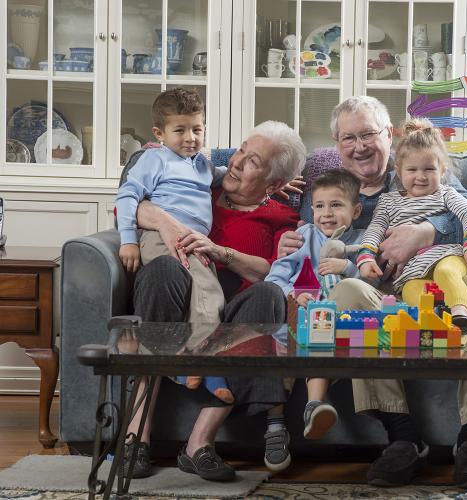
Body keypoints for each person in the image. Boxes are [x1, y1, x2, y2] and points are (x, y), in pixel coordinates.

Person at [277, 96, 467, 490]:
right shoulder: (331, 189)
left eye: (369, 134)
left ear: (390, 135)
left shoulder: (418, 166)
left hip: (443, 282)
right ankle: (403, 437)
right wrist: (291, 245)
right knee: (348, 293)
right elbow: (312, 243)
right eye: (348, 138)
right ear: (337, 144)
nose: (360, 146)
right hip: (380, 291)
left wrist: (427, 231)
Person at [122, 120, 307, 481]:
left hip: (231, 323)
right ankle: (136, 434)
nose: (237, 162)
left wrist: (220, 251)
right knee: (162, 270)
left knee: (269, 295)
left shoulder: (282, 216)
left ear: (273, 184)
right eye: (241, 150)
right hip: (177, 300)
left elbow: (273, 271)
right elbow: (132, 205)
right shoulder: (197, 182)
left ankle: (199, 444)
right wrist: (164, 222)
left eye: (253, 161)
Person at [115, 88, 232, 404]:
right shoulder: (154, 158)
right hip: (160, 239)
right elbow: (127, 196)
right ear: (159, 133)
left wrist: (271, 174)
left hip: (196, 244)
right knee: (203, 294)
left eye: (197, 129)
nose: (190, 138)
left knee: (209, 296)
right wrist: (128, 241)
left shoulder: (203, 165)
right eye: (179, 130)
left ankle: (201, 363)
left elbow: (235, 173)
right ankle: (193, 365)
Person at [265, 169, 364, 440]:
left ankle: (313, 406)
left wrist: (349, 268)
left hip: (335, 328)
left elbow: (373, 284)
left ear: (355, 210)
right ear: (311, 210)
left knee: (322, 342)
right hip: (299, 322)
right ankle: (275, 428)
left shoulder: (363, 242)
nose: (327, 213)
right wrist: (294, 294)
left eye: (336, 205)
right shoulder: (304, 237)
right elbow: (274, 278)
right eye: (319, 206)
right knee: (279, 359)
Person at [357, 118, 467, 328]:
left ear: (443, 170)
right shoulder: (388, 201)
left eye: (429, 170)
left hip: (448, 257)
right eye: (412, 170)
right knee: (410, 290)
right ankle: (436, 322)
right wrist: (366, 256)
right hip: (411, 273)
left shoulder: (446, 194)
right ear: (399, 171)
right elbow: (376, 228)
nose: (421, 177)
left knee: (446, 272)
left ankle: (460, 314)